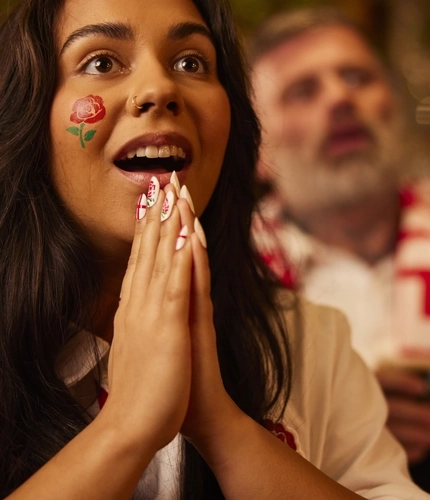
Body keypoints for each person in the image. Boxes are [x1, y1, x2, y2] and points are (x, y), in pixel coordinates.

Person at [0, 0, 428, 498]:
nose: (160, 88)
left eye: (191, 62)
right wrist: (127, 428)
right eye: (101, 63)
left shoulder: (310, 340)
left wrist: (222, 426)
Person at [250, 6, 430, 492]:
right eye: (303, 91)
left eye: (357, 77)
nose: (340, 99)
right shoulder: (225, 278)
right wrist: (349, 425)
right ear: (256, 150)